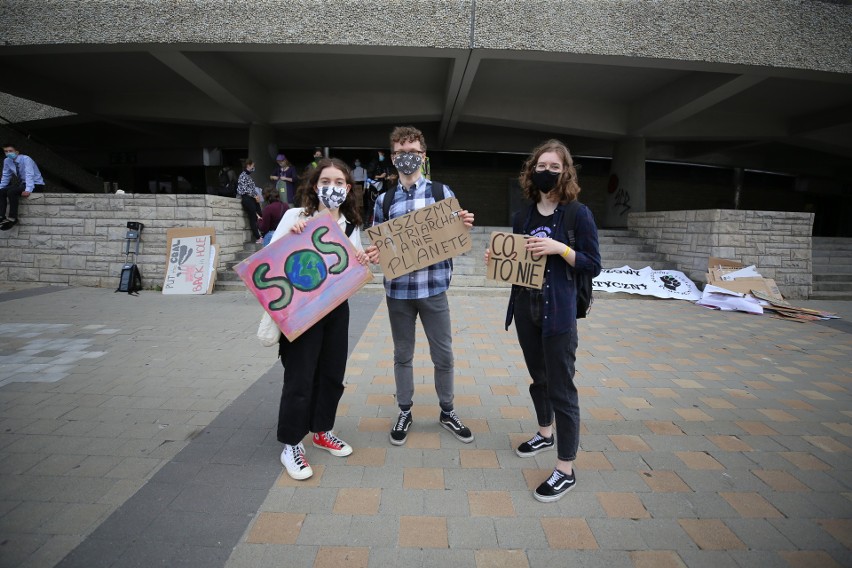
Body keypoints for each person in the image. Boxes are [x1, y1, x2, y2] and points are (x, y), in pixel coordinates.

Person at [488, 139, 601, 502]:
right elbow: (518, 264)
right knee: (539, 378)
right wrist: (498, 257)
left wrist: (560, 249)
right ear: (531, 170)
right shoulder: (523, 216)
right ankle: (544, 431)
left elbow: (593, 263)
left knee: (561, 388)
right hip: (526, 309)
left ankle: (565, 468)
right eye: (542, 166)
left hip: (559, 313)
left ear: (565, 172)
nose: (547, 172)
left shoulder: (577, 214)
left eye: (555, 167)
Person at [364, 126, 475, 447]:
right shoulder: (383, 200)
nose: (406, 158)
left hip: (434, 289)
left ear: (423, 157)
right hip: (398, 292)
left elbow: (457, 235)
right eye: (399, 152)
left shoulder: (442, 193)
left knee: (444, 354)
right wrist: (374, 253)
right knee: (403, 354)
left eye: (412, 151)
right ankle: (404, 410)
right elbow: (378, 243)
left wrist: (464, 224)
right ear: (392, 157)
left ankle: (447, 410)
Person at [269, 157, 369, 480]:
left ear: (348, 189)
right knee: (300, 376)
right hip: (301, 310)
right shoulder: (294, 217)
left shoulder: (351, 226)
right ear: (315, 185)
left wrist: (364, 260)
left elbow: (354, 271)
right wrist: (291, 236)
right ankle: (291, 443)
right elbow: (271, 261)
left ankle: (322, 429)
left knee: (331, 373)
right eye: (326, 181)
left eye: (339, 182)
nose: (332, 188)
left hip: (336, 310)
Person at [0, 143, 45, 230]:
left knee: (12, 192)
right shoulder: (7, 161)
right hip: (23, 184)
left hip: (36, 184)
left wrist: (28, 189)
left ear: (16, 152)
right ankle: (1, 216)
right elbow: (6, 176)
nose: (8, 153)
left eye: (10, 151)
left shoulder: (26, 159)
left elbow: (29, 174)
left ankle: (12, 218)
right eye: (6, 151)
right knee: (1, 191)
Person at [237, 159, 263, 243]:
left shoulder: (248, 176)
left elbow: (251, 188)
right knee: (253, 217)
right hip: (248, 199)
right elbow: (245, 190)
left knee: (259, 215)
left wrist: (257, 196)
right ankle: (258, 237)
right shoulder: (242, 176)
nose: (253, 167)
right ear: (248, 165)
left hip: (253, 198)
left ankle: (262, 233)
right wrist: (254, 195)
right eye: (252, 166)